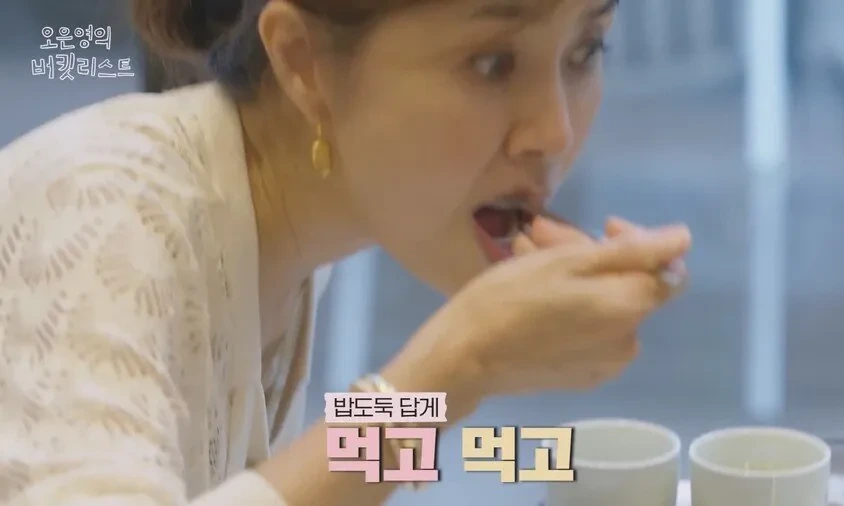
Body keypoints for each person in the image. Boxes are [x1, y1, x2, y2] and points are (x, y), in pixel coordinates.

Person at [0, 0, 692, 505]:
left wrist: (455, 384)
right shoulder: (104, 214)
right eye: (491, 63)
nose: (555, 131)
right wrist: (454, 369)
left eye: (586, 51)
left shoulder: (292, 238)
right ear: (302, 63)